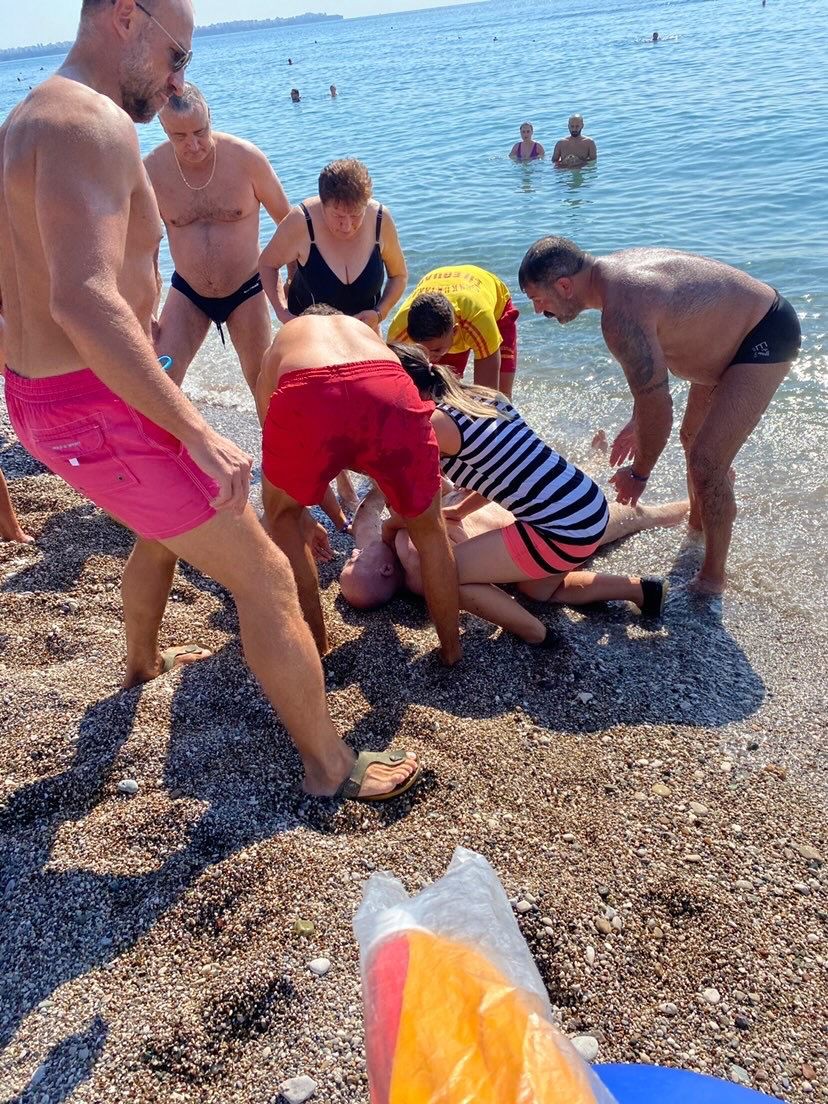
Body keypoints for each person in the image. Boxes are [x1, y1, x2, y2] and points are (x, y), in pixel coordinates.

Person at [0, 0, 421, 804]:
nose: (176, 82)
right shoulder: (91, 123)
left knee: (161, 536)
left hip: (43, 397)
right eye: (178, 55)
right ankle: (330, 765)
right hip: (94, 402)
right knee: (262, 573)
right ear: (128, 16)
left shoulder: (26, 117)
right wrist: (194, 430)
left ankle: (140, 664)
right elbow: (83, 301)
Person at [518, 237, 802, 595]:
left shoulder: (621, 312)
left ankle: (712, 580)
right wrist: (639, 417)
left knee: (706, 462)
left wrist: (639, 474)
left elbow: (658, 402)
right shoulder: (615, 275)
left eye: (537, 299)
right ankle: (696, 532)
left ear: (564, 285)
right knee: (692, 441)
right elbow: (651, 380)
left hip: (762, 335)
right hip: (723, 340)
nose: (539, 310)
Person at [381, 345, 667, 642]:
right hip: (587, 503)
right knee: (536, 589)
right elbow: (502, 472)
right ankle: (641, 590)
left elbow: (411, 506)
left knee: (444, 576)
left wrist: (389, 524)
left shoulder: (432, 426)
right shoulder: (480, 396)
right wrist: (461, 511)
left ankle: (538, 635)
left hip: (562, 528)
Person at [255, 307, 461, 665]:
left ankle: (316, 651)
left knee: (283, 518)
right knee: (430, 531)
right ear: (338, 316)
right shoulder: (364, 333)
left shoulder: (285, 340)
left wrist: (307, 519)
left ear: (303, 319)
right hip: (387, 385)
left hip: (309, 390)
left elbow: (282, 444)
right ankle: (451, 652)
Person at [341, 469, 688, 636]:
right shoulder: (416, 563)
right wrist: (529, 629)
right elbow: (476, 592)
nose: (353, 556)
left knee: (541, 589)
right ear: (385, 572)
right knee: (632, 517)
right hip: (541, 525)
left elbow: (366, 521)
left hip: (528, 539)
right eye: (355, 562)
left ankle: (640, 587)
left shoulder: (394, 555)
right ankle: (690, 505)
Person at [144, 82, 290, 399]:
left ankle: (275, 449)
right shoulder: (151, 171)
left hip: (247, 288)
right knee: (160, 381)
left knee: (263, 384)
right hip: (188, 291)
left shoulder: (247, 159)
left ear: (210, 116)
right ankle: (165, 450)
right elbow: (143, 249)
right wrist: (147, 309)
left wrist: (288, 286)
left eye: (200, 131)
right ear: (163, 127)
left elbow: (288, 225)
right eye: (179, 137)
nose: (193, 145)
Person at [259, 158, 407, 331]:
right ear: (322, 204)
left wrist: (379, 313)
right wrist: (283, 313)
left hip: (363, 333)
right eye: (338, 216)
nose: (347, 226)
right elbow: (267, 264)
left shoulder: (380, 220)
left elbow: (398, 276)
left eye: (355, 215)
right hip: (310, 334)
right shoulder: (302, 221)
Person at [387, 265, 519, 398]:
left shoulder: (479, 319)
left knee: (501, 396)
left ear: (454, 331)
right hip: (449, 307)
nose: (429, 359)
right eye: (421, 352)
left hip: (494, 307)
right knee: (439, 394)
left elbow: (487, 396)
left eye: (436, 351)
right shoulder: (399, 333)